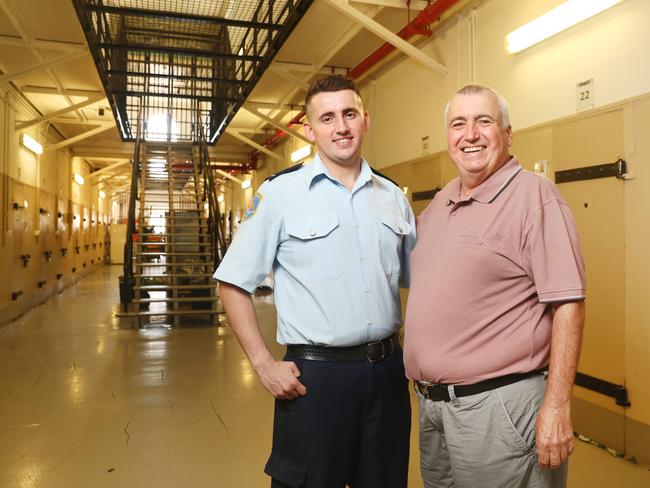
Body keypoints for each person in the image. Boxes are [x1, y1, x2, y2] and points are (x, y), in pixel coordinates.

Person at [214, 75, 416, 488]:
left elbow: (422, 282)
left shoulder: (393, 196)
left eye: (349, 114)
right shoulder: (280, 194)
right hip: (315, 379)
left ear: (365, 120)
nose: (340, 126)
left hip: (387, 375)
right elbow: (232, 284)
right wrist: (262, 364)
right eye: (327, 118)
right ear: (309, 129)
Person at [404, 84, 586, 487]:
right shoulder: (442, 201)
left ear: (507, 133)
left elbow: (568, 305)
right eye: (458, 123)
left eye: (484, 121)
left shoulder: (534, 197)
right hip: (435, 408)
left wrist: (557, 405)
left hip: (499, 408)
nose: (470, 134)